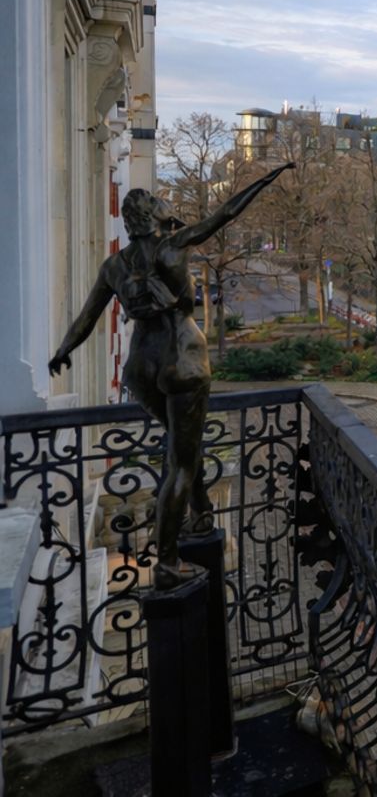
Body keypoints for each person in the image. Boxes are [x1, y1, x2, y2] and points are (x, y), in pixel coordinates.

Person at [50, 163, 293, 588]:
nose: (169, 205)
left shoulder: (115, 265)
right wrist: (268, 178)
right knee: (180, 461)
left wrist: (62, 352)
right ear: (152, 216)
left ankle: (200, 516)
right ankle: (166, 561)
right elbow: (226, 213)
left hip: (141, 368)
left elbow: (87, 317)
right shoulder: (173, 245)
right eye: (162, 202)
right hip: (182, 361)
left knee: (186, 442)